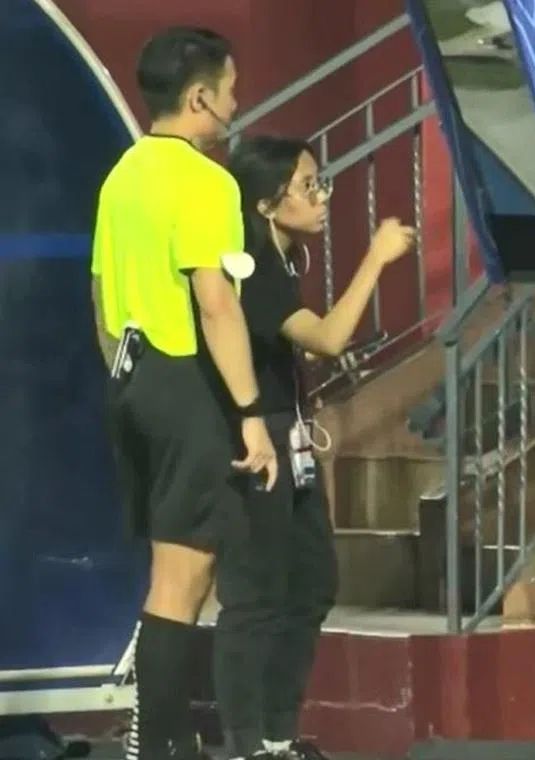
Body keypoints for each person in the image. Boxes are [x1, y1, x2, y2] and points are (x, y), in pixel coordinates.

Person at [91, 27, 278, 760]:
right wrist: (252, 414)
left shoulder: (122, 174)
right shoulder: (205, 180)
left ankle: (161, 738)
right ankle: (158, 743)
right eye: (230, 90)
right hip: (187, 381)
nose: (236, 103)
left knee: (172, 575)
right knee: (184, 578)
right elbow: (217, 301)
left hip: (133, 380)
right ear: (200, 97)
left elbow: (100, 291)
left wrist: (125, 376)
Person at [216, 135, 413, 760]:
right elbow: (327, 336)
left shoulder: (285, 257)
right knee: (257, 595)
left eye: (320, 181)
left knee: (311, 583)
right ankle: (246, 744)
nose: (322, 196)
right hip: (255, 439)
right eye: (309, 186)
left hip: (292, 433)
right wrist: (378, 257)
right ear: (268, 203)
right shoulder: (249, 260)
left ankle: (277, 735)